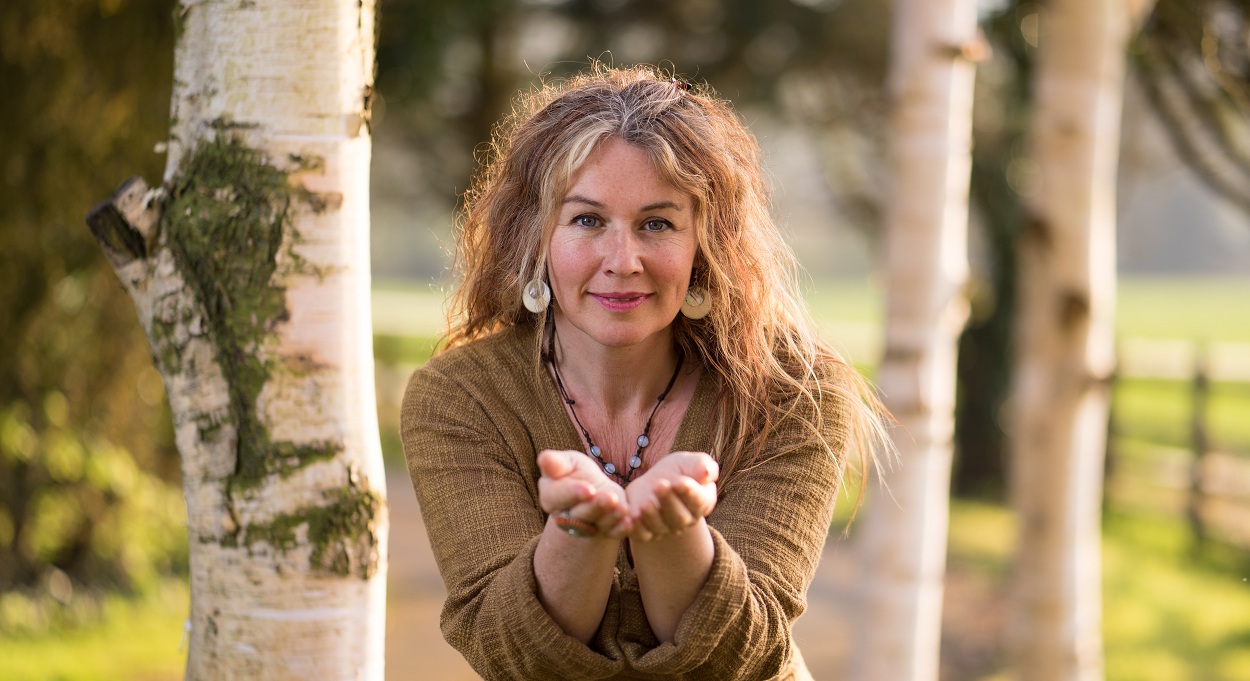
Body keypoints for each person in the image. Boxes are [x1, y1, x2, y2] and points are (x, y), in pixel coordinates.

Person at [401, 64, 886, 681]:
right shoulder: (459, 397)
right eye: (587, 220)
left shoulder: (794, 394)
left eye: (657, 223)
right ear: (536, 236)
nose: (622, 260)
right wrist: (580, 532)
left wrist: (672, 532)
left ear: (706, 245)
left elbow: (743, 657)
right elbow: (509, 654)